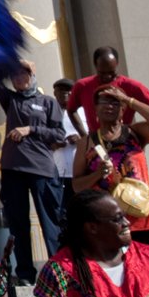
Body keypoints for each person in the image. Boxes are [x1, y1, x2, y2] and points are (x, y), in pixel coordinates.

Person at [0, 59, 66, 283]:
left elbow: (59, 135)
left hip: (42, 169)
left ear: (32, 76)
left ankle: (59, 270)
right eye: (15, 75)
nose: (18, 79)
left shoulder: (47, 102)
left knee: (50, 222)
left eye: (23, 75)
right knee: (18, 223)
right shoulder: (10, 100)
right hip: (13, 168)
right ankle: (25, 273)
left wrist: (30, 129)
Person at [72, 84, 149, 249]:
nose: (109, 106)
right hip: (110, 224)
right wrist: (97, 175)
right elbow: (77, 186)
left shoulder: (135, 133)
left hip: (147, 218)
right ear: (95, 109)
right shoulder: (85, 143)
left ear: (123, 110)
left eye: (115, 102)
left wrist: (129, 100)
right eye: (104, 102)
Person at [67, 46, 149, 136]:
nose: (107, 77)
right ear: (95, 65)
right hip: (96, 143)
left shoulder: (132, 86)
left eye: (111, 72)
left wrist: (139, 130)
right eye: (102, 73)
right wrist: (85, 136)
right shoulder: (82, 85)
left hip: (125, 142)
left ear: (117, 64)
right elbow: (71, 110)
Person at [53, 78, 84, 211]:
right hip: (60, 172)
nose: (65, 94)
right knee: (63, 211)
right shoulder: (50, 112)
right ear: (55, 93)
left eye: (68, 91)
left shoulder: (83, 111)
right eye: (60, 91)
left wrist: (81, 138)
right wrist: (54, 143)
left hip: (82, 171)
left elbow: (94, 135)